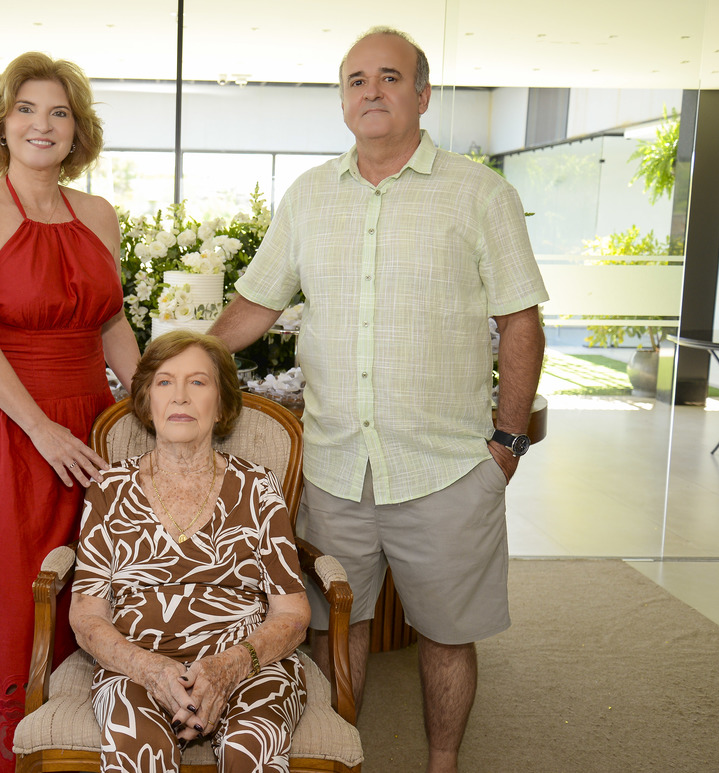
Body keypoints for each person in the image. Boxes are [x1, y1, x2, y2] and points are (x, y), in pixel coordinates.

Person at [209, 26, 548, 773]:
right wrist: (182, 359)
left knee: (447, 635)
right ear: (341, 101)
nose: (372, 91)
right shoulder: (308, 196)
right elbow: (256, 305)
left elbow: (520, 320)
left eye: (389, 77)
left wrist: (509, 442)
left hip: (447, 467)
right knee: (336, 625)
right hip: (336, 466)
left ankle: (442, 762)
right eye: (356, 80)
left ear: (422, 95)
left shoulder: (480, 193)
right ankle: (340, 756)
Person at [0, 52, 141, 772]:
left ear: (77, 129)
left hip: (90, 422)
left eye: (59, 112)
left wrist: (149, 406)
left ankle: (78, 745)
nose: (41, 125)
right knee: (12, 595)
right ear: (1, 123)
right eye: (26, 109)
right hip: (7, 425)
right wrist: (41, 429)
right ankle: (0, 755)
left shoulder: (99, 215)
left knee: (92, 587)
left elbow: (111, 322)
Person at [69, 331, 311, 772]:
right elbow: (86, 616)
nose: (180, 395)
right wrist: (150, 670)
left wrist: (229, 666)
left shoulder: (258, 486)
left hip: (248, 660)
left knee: (251, 747)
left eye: (198, 382)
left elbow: (293, 613)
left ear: (221, 404)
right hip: (137, 663)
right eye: (164, 382)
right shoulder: (109, 488)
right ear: (147, 402)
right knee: (138, 749)